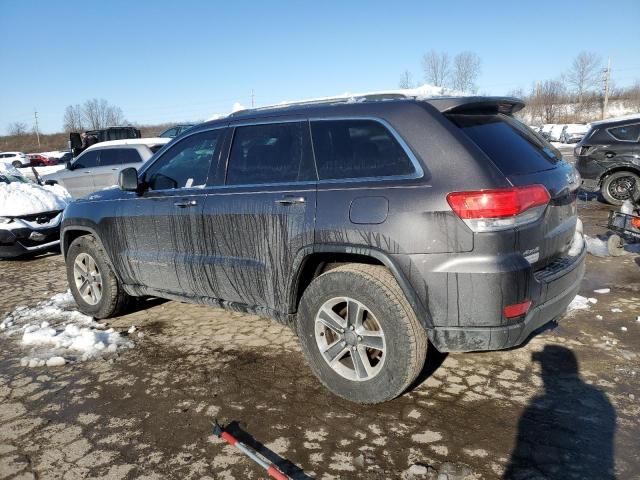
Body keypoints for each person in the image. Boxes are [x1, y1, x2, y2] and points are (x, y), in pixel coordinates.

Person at [504, 345, 616, 479]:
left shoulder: (542, 405)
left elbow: (523, 458)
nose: (541, 373)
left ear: (549, 372)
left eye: (543, 369)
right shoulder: (600, 400)